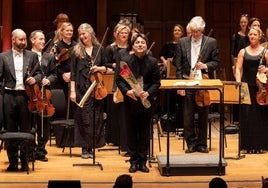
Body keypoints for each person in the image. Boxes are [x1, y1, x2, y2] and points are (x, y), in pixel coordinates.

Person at [116, 33, 161, 173]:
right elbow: (119, 80)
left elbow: (156, 83)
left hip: (146, 101)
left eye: (142, 43)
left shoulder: (153, 62)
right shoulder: (125, 60)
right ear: (133, 46)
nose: (140, 45)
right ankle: (133, 162)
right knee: (131, 131)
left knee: (144, 132)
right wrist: (127, 91)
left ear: (146, 46)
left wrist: (148, 92)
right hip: (131, 101)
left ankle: (142, 161)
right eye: (137, 43)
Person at [174, 16, 219, 153]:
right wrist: (180, 85)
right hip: (188, 82)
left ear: (202, 30)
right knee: (187, 116)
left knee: (203, 114)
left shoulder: (211, 42)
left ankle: (202, 143)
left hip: (203, 82)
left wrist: (205, 65)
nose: (195, 34)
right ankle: (191, 143)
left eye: (198, 31)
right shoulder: (182, 42)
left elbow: (216, 62)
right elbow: (179, 66)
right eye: (193, 31)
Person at [0, 28, 41, 171]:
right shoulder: (3, 57)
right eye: (20, 39)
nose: (23, 42)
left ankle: (24, 161)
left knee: (26, 129)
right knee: (10, 129)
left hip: (26, 96)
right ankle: (12, 162)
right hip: (9, 96)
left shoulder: (32, 56)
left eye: (24, 39)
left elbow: (40, 74)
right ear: (13, 39)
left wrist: (34, 79)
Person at [70, 23, 106, 159]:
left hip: (96, 89)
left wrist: (100, 69)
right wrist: (72, 91)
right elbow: (73, 73)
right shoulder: (76, 50)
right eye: (80, 34)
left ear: (91, 33)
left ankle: (93, 146)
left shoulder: (99, 49)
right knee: (84, 118)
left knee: (96, 118)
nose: (82, 36)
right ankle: (85, 148)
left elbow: (107, 68)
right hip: (81, 89)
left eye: (84, 33)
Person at [235, 26, 268, 154]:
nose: (252, 36)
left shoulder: (265, 52)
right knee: (246, 115)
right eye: (250, 34)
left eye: (255, 34)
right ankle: (247, 145)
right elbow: (238, 69)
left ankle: (259, 145)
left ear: (260, 36)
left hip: (261, 87)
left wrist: (265, 70)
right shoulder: (243, 51)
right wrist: (238, 82)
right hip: (246, 85)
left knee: (259, 115)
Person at [29, 30, 57, 162]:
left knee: (44, 126)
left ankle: (41, 151)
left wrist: (49, 80)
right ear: (32, 40)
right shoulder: (27, 56)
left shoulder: (49, 57)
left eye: (43, 39)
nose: (43, 41)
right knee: (30, 124)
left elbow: (54, 74)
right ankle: (30, 151)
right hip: (31, 95)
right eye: (40, 39)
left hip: (45, 95)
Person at [103, 22, 131, 153]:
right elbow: (105, 63)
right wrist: (114, 65)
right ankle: (114, 138)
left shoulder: (131, 48)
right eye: (122, 33)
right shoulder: (110, 48)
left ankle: (124, 139)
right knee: (114, 111)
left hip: (128, 80)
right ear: (116, 34)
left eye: (126, 33)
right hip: (113, 81)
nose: (124, 35)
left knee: (124, 112)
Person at [158, 24, 185, 132]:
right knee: (170, 96)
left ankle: (179, 121)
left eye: (179, 30)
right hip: (169, 74)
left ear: (182, 33)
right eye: (175, 30)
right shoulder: (168, 44)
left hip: (180, 75)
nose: (177, 32)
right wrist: (165, 62)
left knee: (180, 98)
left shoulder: (184, 45)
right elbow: (161, 54)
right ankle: (168, 119)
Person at [53, 22, 76, 119]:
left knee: (73, 104)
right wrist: (62, 74)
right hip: (61, 79)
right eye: (67, 30)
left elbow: (78, 63)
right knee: (62, 103)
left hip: (74, 77)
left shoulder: (77, 45)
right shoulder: (57, 45)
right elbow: (54, 64)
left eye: (71, 30)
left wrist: (72, 73)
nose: (69, 32)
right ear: (62, 32)